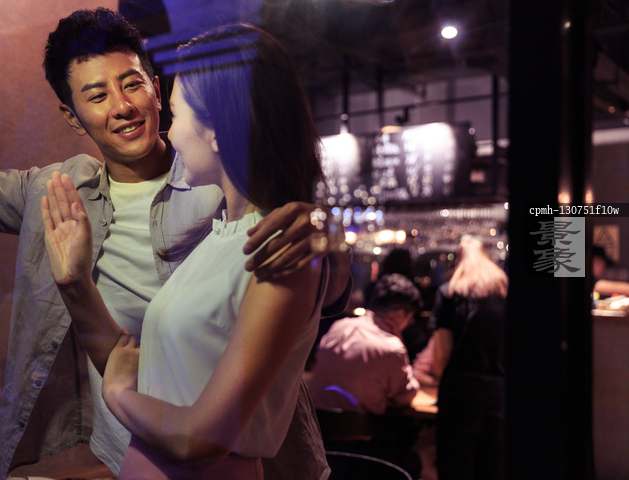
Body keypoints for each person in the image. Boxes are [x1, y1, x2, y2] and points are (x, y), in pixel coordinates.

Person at [0, 6, 350, 479]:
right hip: (134, 447)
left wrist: (326, 234)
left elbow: (316, 287)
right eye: (97, 95)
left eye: (132, 84)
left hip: (239, 453)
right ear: (73, 117)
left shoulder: (216, 178)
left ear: (157, 89)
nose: (122, 106)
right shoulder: (59, 196)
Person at [42, 23, 327, 479]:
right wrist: (75, 282)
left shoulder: (276, 247)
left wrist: (118, 396)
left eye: (176, 115)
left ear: (216, 131)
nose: (170, 134)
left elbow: (201, 439)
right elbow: (149, 368)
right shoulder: (220, 234)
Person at [430, 236, 507, 480]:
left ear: (458, 261)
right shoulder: (506, 293)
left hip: (459, 396)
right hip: (499, 396)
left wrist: (442, 382)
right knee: (493, 471)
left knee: (456, 470)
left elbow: (442, 352)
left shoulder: (448, 292)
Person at [307, 273, 422, 415]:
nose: (407, 324)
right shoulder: (392, 347)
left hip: (315, 422)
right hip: (359, 427)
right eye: (409, 319)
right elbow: (406, 396)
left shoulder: (339, 326)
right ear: (398, 316)